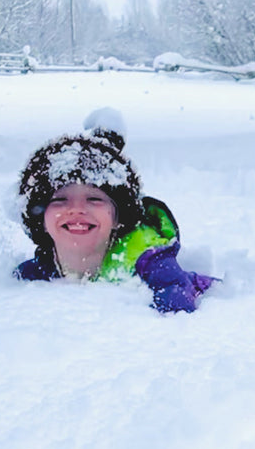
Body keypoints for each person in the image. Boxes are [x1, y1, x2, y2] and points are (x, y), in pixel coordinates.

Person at [13, 122, 214, 312]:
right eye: (60, 199)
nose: (76, 209)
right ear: (40, 218)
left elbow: (177, 301)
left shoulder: (149, 259)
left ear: (118, 217)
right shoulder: (39, 269)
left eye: (94, 199)